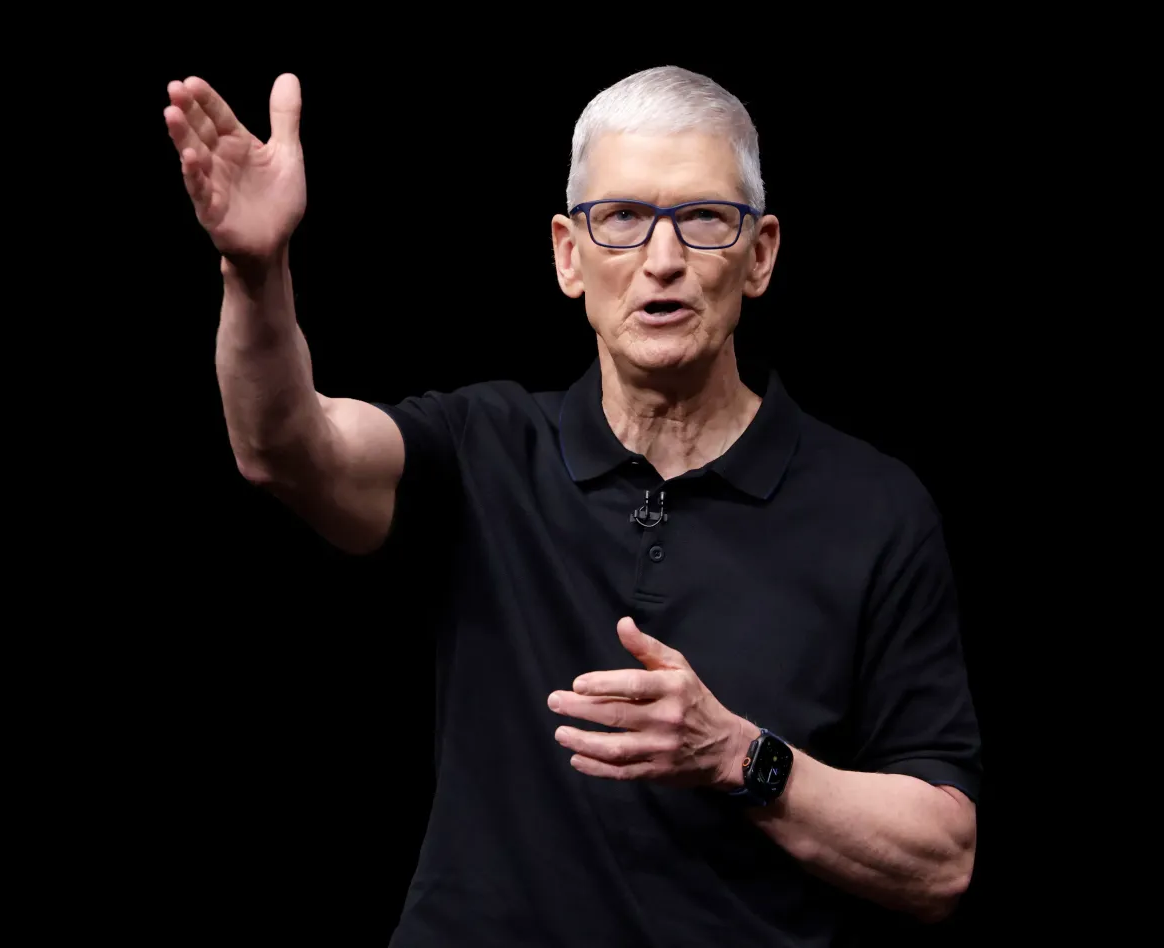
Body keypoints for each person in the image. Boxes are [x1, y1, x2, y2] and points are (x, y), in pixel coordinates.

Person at [164, 65, 982, 947]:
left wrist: (738, 757)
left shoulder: (874, 509)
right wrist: (257, 270)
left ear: (761, 254)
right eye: (622, 218)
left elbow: (942, 860)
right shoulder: (485, 450)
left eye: (703, 219)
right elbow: (285, 447)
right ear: (567, 253)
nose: (660, 260)